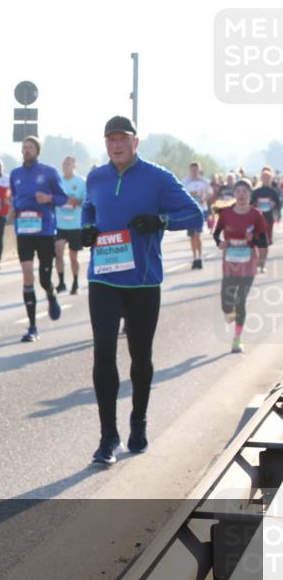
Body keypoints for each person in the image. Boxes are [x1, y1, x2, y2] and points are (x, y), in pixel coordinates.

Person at [81, 116, 203, 465]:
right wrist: (87, 226)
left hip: (143, 280)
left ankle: (139, 420)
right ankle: (108, 437)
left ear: (136, 143)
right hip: (103, 276)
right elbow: (90, 205)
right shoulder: (97, 176)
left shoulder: (158, 178)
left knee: (140, 357)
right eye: (110, 140)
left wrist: (161, 221)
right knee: (103, 351)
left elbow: (195, 216)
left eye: (122, 139)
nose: (116, 145)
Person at [9, 136, 68, 342]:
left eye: (30, 147)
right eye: (24, 147)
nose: (26, 150)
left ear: (37, 151)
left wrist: (48, 198)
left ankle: (51, 294)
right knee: (27, 274)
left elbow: (63, 199)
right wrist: (13, 210)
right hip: (24, 232)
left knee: (44, 279)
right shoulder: (15, 174)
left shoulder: (49, 172)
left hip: (44, 232)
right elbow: (14, 196)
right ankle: (32, 327)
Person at [214, 179, 270, 353]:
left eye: (245, 191)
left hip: (248, 263)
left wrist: (252, 239)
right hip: (230, 261)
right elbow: (216, 234)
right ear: (234, 195)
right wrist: (220, 242)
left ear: (250, 194)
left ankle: (237, 339)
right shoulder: (226, 214)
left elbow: (264, 240)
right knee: (226, 302)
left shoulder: (256, 214)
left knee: (241, 301)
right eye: (238, 191)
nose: (241, 194)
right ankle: (229, 312)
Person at [54, 156, 86, 295]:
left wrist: (76, 201)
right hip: (60, 225)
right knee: (58, 253)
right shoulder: (57, 182)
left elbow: (85, 201)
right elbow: (52, 198)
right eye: (64, 163)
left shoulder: (81, 182)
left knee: (73, 257)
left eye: (69, 163)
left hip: (75, 225)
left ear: (74, 166)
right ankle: (61, 282)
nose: (66, 165)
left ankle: (75, 282)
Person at [182, 162, 212, 270]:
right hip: (190, 211)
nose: (194, 172)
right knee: (192, 236)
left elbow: (210, 193)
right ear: (190, 170)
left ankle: (199, 257)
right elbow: (181, 194)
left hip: (201, 210)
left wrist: (204, 199)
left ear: (199, 170)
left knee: (197, 234)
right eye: (192, 169)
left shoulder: (204, 181)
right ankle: (194, 258)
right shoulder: (185, 182)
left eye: (196, 169)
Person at [251, 165, 281, 272]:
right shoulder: (256, 191)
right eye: (264, 177)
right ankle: (259, 260)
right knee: (259, 242)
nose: (265, 179)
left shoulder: (273, 192)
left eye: (268, 177)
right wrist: (255, 205)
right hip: (257, 220)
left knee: (266, 242)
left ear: (270, 178)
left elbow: (278, 204)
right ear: (261, 178)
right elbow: (250, 204)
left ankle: (262, 264)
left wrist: (274, 207)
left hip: (268, 219)